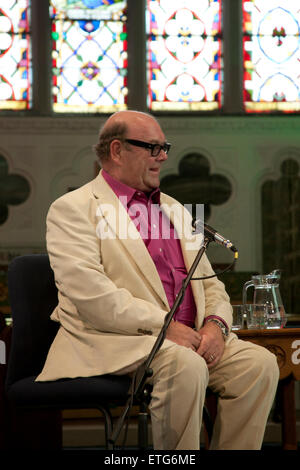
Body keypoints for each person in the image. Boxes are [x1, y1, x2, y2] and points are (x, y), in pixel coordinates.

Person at [37, 110, 279, 450]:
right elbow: (91, 295)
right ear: (118, 151)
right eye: (153, 147)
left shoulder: (177, 209)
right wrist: (165, 327)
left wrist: (215, 325)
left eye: (164, 147)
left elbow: (211, 284)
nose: (163, 156)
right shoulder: (73, 208)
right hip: (117, 339)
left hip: (192, 336)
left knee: (259, 364)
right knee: (186, 364)